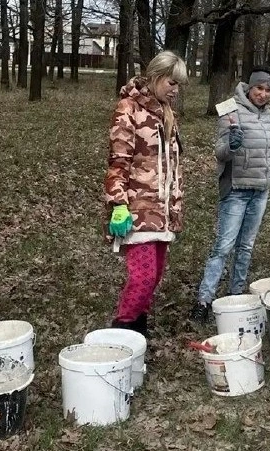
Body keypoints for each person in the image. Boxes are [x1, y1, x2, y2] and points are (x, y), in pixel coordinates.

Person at [189, 65, 270, 323]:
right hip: (235, 190)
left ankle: (235, 296)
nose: (263, 94)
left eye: (269, 90)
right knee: (223, 247)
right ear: (249, 87)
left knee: (245, 246)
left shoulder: (267, 115)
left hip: (260, 191)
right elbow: (220, 152)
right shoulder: (230, 110)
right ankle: (204, 301)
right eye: (259, 88)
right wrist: (232, 145)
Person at [103, 51, 189, 337]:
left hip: (163, 211)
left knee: (155, 276)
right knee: (143, 277)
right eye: (172, 83)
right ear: (155, 77)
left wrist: (175, 205)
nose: (176, 90)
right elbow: (118, 161)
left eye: (179, 85)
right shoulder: (128, 108)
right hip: (137, 208)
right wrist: (118, 204)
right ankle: (123, 328)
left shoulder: (167, 113)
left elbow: (172, 166)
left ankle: (138, 327)